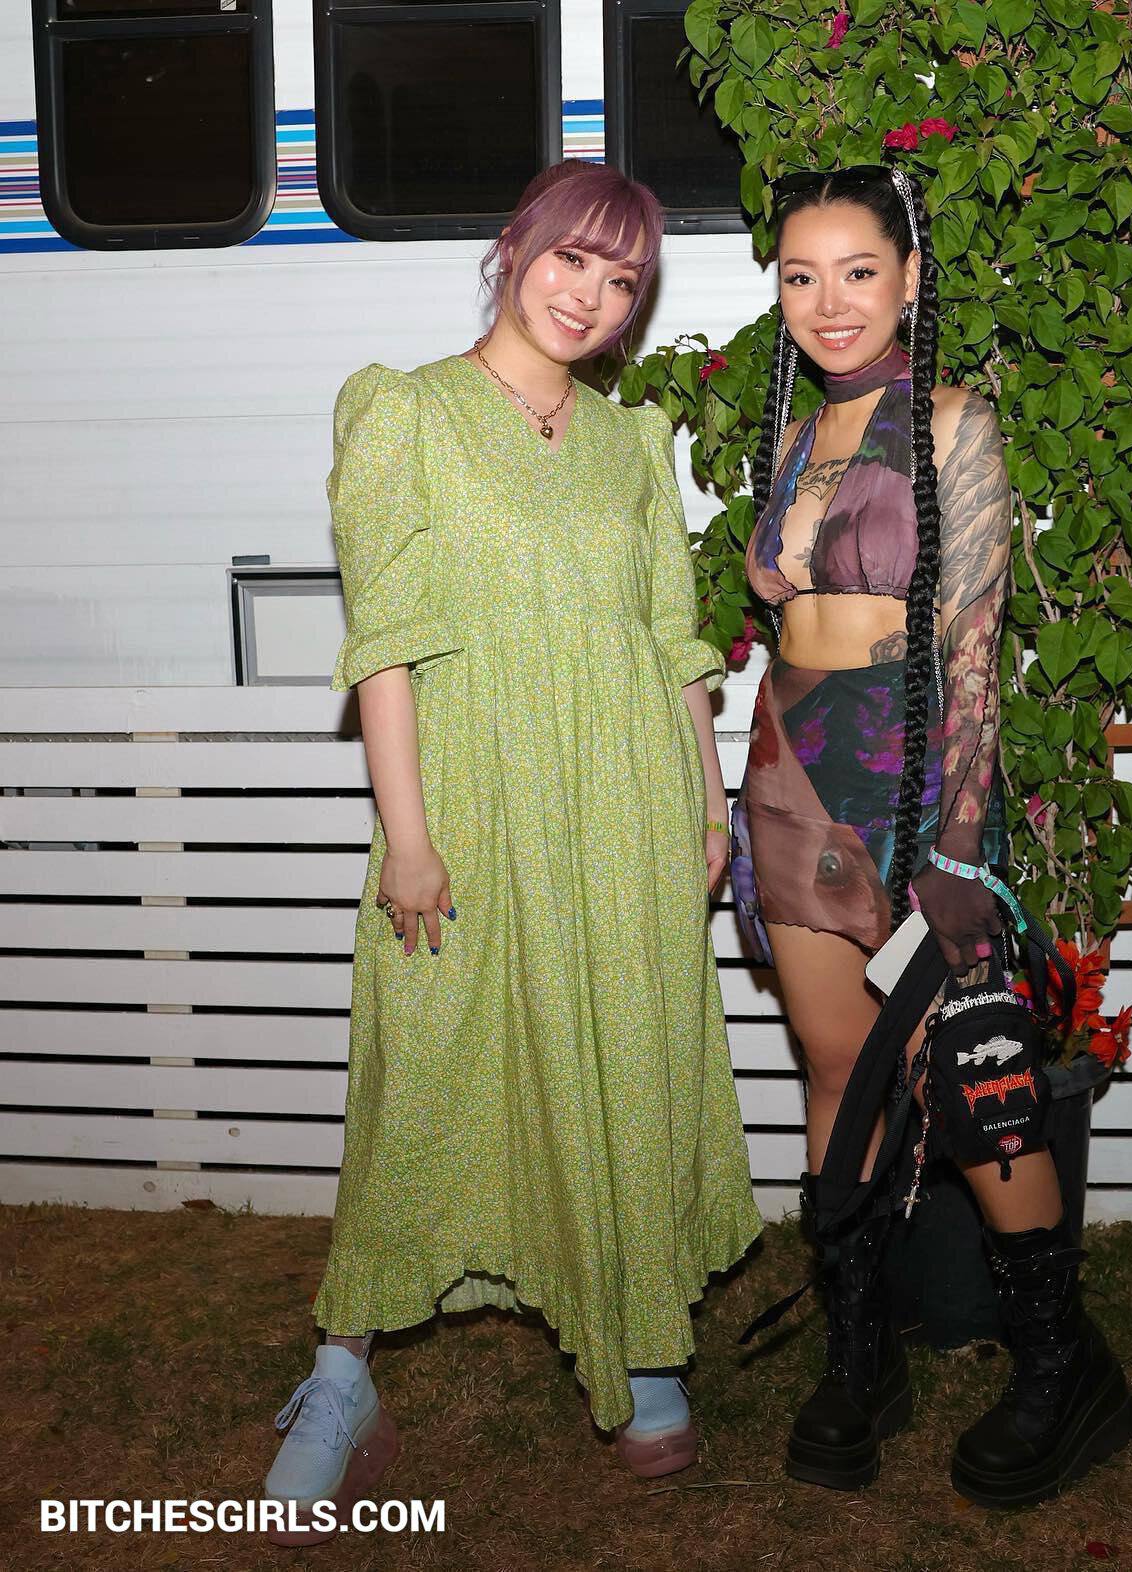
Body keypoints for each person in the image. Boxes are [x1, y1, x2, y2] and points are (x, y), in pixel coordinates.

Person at [262, 160, 763, 1544]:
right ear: (514, 247)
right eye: (572, 260)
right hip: (472, 801)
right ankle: (341, 1376)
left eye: (623, 281)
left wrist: (706, 800)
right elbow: (385, 642)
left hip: (625, 804)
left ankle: (642, 1339)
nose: (591, 297)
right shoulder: (406, 411)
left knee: (629, 1057)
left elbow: (671, 638)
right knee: (427, 1072)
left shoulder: (632, 440)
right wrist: (409, 836)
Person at [731, 166, 1132, 1503]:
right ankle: (861, 1359)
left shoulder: (954, 423)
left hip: (911, 782)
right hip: (792, 778)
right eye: (800, 276)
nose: (828, 301)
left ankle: (1062, 1365)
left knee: (979, 1083)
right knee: (836, 1073)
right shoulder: (795, 434)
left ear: (909, 279)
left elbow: (971, 645)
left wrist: (958, 851)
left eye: (857, 271)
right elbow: (786, 626)